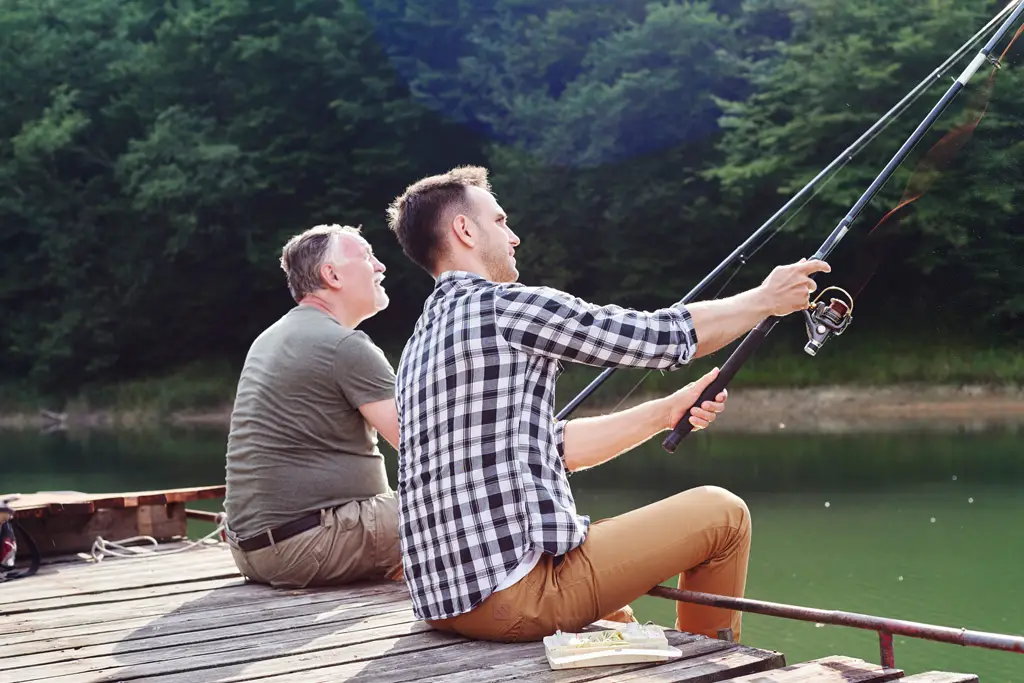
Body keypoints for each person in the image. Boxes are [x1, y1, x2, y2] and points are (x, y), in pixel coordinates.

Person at [385, 166, 831, 643]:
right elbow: (661, 338)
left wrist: (665, 411)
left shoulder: (420, 344)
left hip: (443, 605)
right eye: (500, 222)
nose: (513, 237)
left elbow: (550, 445)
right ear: (464, 230)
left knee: (618, 614)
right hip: (512, 597)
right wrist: (764, 300)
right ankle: (715, 668)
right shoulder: (504, 307)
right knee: (724, 514)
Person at [223, 224, 404, 589]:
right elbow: (423, 445)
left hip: (251, 552)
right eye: (368, 256)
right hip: (305, 547)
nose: (381, 266)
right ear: (332, 274)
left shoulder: (270, 337)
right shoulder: (344, 345)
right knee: (462, 498)